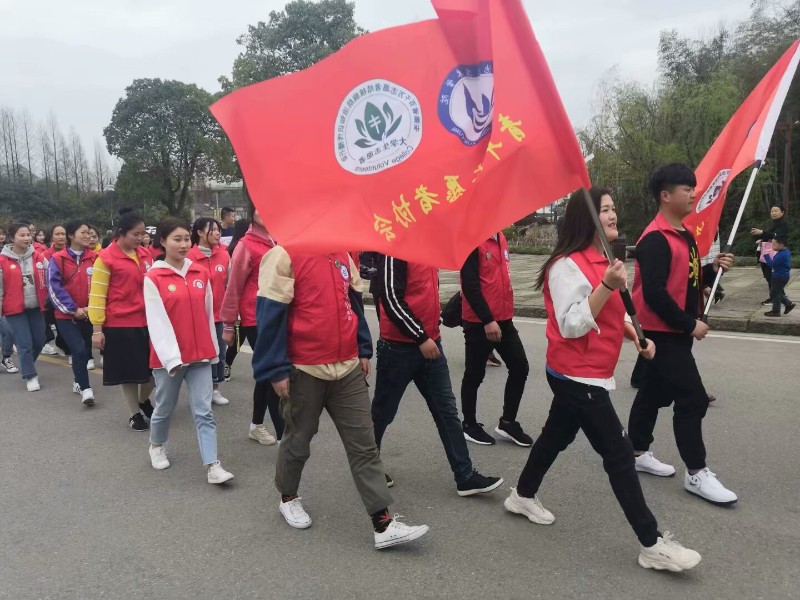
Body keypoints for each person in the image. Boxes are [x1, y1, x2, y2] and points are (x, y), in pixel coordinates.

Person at [504, 187, 702, 572]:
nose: (612, 216)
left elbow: (616, 311)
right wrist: (608, 285)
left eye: (613, 208)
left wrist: (635, 336)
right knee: (618, 455)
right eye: (605, 210)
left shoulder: (604, 259)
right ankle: (652, 543)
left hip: (590, 371)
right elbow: (572, 324)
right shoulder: (566, 265)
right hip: (576, 374)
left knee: (556, 436)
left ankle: (522, 495)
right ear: (588, 218)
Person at [253, 245, 429, 549]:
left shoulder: (343, 255)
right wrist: (275, 368)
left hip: (346, 366)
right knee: (297, 439)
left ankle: (382, 523)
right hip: (304, 367)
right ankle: (288, 496)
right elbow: (270, 314)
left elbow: (354, 306)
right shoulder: (284, 255)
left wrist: (362, 349)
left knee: (364, 444)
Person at [627, 163, 737, 505]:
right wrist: (690, 324)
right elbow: (655, 294)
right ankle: (697, 473)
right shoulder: (655, 239)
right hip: (662, 334)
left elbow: (686, 278)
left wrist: (710, 269)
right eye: (686, 189)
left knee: (652, 393)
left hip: (675, 332)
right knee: (692, 399)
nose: (693, 193)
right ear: (665, 196)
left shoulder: (684, 234)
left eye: (693, 187)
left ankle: (636, 450)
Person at [371, 255, 503, 496]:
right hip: (400, 347)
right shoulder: (395, 248)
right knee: (383, 413)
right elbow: (390, 298)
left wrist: (430, 332)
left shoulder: (426, 247)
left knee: (447, 412)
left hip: (432, 342)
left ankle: (465, 476)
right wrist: (420, 337)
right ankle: (367, 466)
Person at [144, 218, 234, 484]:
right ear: (163, 241)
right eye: (177, 239)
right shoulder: (154, 277)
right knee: (165, 407)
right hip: (169, 359)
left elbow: (209, 315)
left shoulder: (199, 273)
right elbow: (156, 321)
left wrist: (213, 350)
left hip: (200, 355)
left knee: (203, 411)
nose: (183, 244)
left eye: (186, 239)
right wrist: (172, 358)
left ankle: (213, 465)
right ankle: (156, 445)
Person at [459, 232, 532, 446]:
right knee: (474, 374)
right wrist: (487, 319)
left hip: (503, 319)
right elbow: (470, 285)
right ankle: (469, 425)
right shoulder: (472, 239)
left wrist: (503, 316)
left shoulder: (500, 237)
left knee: (520, 367)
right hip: (479, 321)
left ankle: (508, 422)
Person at [220, 207, 283, 444]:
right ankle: (284, 435)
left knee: (269, 374)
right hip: (256, 317)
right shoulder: (246, 246)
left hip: (279, 315)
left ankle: (257, 425)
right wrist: (228, 324)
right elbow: (233, 285)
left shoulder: (280, 240)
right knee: (273, 371)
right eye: (260, 206)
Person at [88, 209, 156, 431]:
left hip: (149, 322)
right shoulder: (106, 259)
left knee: (155, 372)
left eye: (142, 234)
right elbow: (97, 297)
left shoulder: (145, 255)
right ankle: (134, 413)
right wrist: (97, 330)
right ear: (120, 233)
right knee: (129, 374)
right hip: (120, 325)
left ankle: (143, 400)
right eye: (135, 234)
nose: (140, 238)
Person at [47, 221, 98, 406]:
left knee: (85, 350)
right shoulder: (58, 258)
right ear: (71, 235)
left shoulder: (95, 257)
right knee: (77, 349)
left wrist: (90, 308)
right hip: (66, 316)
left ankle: (78, 381)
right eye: (83, 233)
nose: (87, 236)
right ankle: (86, 389)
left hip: (88, 313)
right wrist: (73, 309)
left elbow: (100, 286)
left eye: (89, 233)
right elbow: (54, 288)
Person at [0, 224, 48, 391]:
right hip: (14, 309)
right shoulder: (2, 260)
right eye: (22, 235)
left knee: (40, 341)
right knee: (24, 343)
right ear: (12, 238)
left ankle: (26, 363)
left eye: (28, 234)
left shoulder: (39, 257)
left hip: (36, 306)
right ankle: (30, 375)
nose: (27, 238)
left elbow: (50, 277)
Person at [188, 217, 230, 405]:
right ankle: (199, 391)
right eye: (212, 229)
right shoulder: (188, 257)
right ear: (199, 232)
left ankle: (215, 389)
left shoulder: (224, 255)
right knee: (201, 357)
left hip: (218, 315)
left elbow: (229, 284)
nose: (217, 233)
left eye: (219, 230)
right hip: (197, 317)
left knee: (219, 354)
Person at [222, 218, 250, 381]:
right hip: (240, 302)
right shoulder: (236, 249)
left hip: (249, 302)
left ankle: (227, 364)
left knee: (241, 338)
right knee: (238, 338)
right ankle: (227, 363)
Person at [41, 224, 70, 357]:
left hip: (70, 295)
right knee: (59, 324)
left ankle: (63, 345)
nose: (61, 237)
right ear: (51, 236)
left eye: (63, 234)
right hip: (52, 297)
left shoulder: (71, 251)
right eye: (57, 234)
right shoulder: (45, 255)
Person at [751, 204, 789, 305]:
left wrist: (761, 232)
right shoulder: (772, 223)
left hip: (776, 253)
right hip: (767, 251)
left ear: (782, 212)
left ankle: (777, 299)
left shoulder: (783, 224)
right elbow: (769, 235)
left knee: (771, 276)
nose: (773, 213)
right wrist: (761, 238)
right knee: (769, 276)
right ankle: (779, 297)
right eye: (772, 211)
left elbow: (778, 236)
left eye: (776, 211)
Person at [0, 225, 19, 375]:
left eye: (1, 234)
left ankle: (6, 357)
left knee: (9, 330)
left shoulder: (8, 254)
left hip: (5, 298)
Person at [763, 235, 795, 317]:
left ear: (781, 245)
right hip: (782, 275)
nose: (772, 246)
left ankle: (776, 311)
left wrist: (766, 255)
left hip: (779, 276)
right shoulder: (785, 251)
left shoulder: (781, 255)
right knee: (776, 292)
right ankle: (788, 304)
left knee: (775, 294)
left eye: (774, 245)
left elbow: (771, 264)